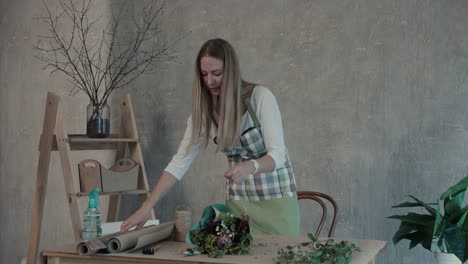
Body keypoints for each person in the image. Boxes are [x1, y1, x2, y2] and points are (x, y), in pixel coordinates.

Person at [121, 38, 300, 235]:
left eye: (217, 73)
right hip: (240, 204)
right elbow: (179, 163)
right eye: (204, 74)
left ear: (231, 71)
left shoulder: (260, 97)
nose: (209, 81)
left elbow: (278, 155)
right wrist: (146, 208)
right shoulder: (205, 114)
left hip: (277, 202)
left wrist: (250, 166)